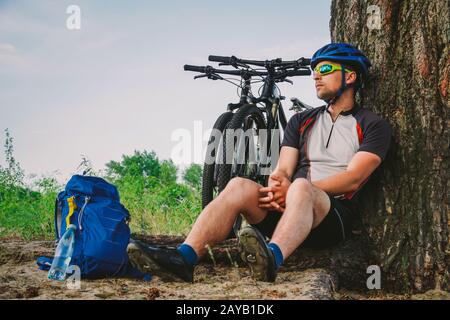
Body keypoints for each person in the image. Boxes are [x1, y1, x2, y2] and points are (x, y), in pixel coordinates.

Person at [127, 42, 392, 283]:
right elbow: (283, 168)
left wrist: (295, 190)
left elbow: (354, 178)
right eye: (313, 70)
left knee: (300, 186)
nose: (316, 75)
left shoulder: (373, 125)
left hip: (332, 216)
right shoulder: (302, 121)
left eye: (324, 68)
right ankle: (183, 258)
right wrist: (278, 185)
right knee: (239, 185)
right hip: (289, 205)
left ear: (351, 76)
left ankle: (271, 260)